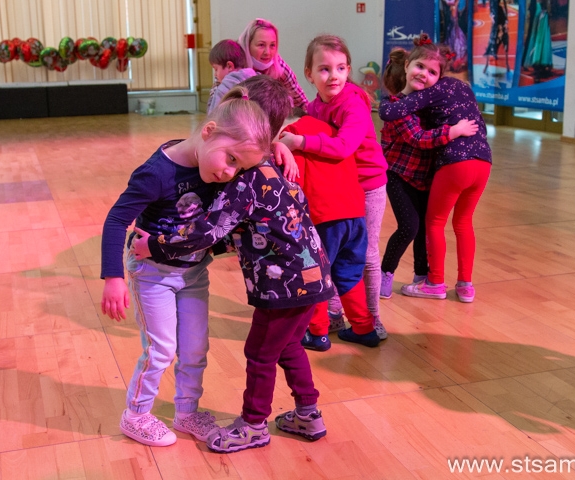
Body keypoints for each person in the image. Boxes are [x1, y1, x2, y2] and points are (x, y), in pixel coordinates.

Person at [131, 83, 334, 454]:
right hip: (315, 277)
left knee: (260, 353)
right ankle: (308, 414)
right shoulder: (271, 168)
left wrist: (156, 244)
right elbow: (249, 231)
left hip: (283, 286)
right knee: (289, 346)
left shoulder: (246, 181)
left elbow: (208, 231)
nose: (230, 169)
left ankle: (254, 425)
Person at [100, 89, 272, 447]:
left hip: (194, 272)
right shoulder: (156, 173)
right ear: (208, 132)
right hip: (153, 273)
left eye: (240, 167)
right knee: (161, 349)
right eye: (231, 159)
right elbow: (116, 220)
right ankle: (135, 415)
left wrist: (282, 147)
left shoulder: (214, 164)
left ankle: (186, 412)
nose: (230, 173)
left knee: (195, 349)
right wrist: (113, 278)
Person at [279, 34, 388, 342]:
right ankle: (337, 316)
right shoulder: (315, 107)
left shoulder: (353, 103)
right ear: (309, 74)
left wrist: (299, 141)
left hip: (367, 185)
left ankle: (373, 319)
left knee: (365, 255)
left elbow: (342, 147)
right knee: (336, 259)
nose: (333, 76)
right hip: (341, 190)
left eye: (340, 68)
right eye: (324, 69)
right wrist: (287, 140)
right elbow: (310, 133)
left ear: (348, 70)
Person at [379, 34, 492, 303]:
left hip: (430, 174)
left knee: (428, 227)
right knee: (413, 226)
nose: (424, 74)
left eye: (432, 72)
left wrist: (457, 129)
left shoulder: (430, 102)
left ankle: (427, 279)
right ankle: (385, 275)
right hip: (401, 175)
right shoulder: (401, 106)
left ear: (439, 78)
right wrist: (453, 131)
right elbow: (418, 137)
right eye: (420, 66)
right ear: (407, 65)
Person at [281, 108, 379, 350]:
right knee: (350, 274)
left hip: (324, 218)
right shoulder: (333, 133)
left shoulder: (291, 136)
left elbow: (293, 184)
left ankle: (318, 334)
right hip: (355, 215)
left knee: (315, 275)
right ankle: (364, 329)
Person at [238, 18, 309, 109]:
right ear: (247, 45)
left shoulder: (280, 67)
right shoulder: (234, 64)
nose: (267, 52)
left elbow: (302, 104)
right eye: (261, 45)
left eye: (272, 45)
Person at [207, 39, 257, 114]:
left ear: (229, 66)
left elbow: (213, 116)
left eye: (216, 69)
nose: (215, 74)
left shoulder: (223, 89)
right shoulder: (256, 82)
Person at [483, 0, 510, 75]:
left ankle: (506, 64)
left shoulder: (497, 8)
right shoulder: (494, 8)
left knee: (501, 42)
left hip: (499, 27)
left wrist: (504, 23)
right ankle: (487, 64)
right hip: (497, 28)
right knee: (493, 42)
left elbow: (503, 19)